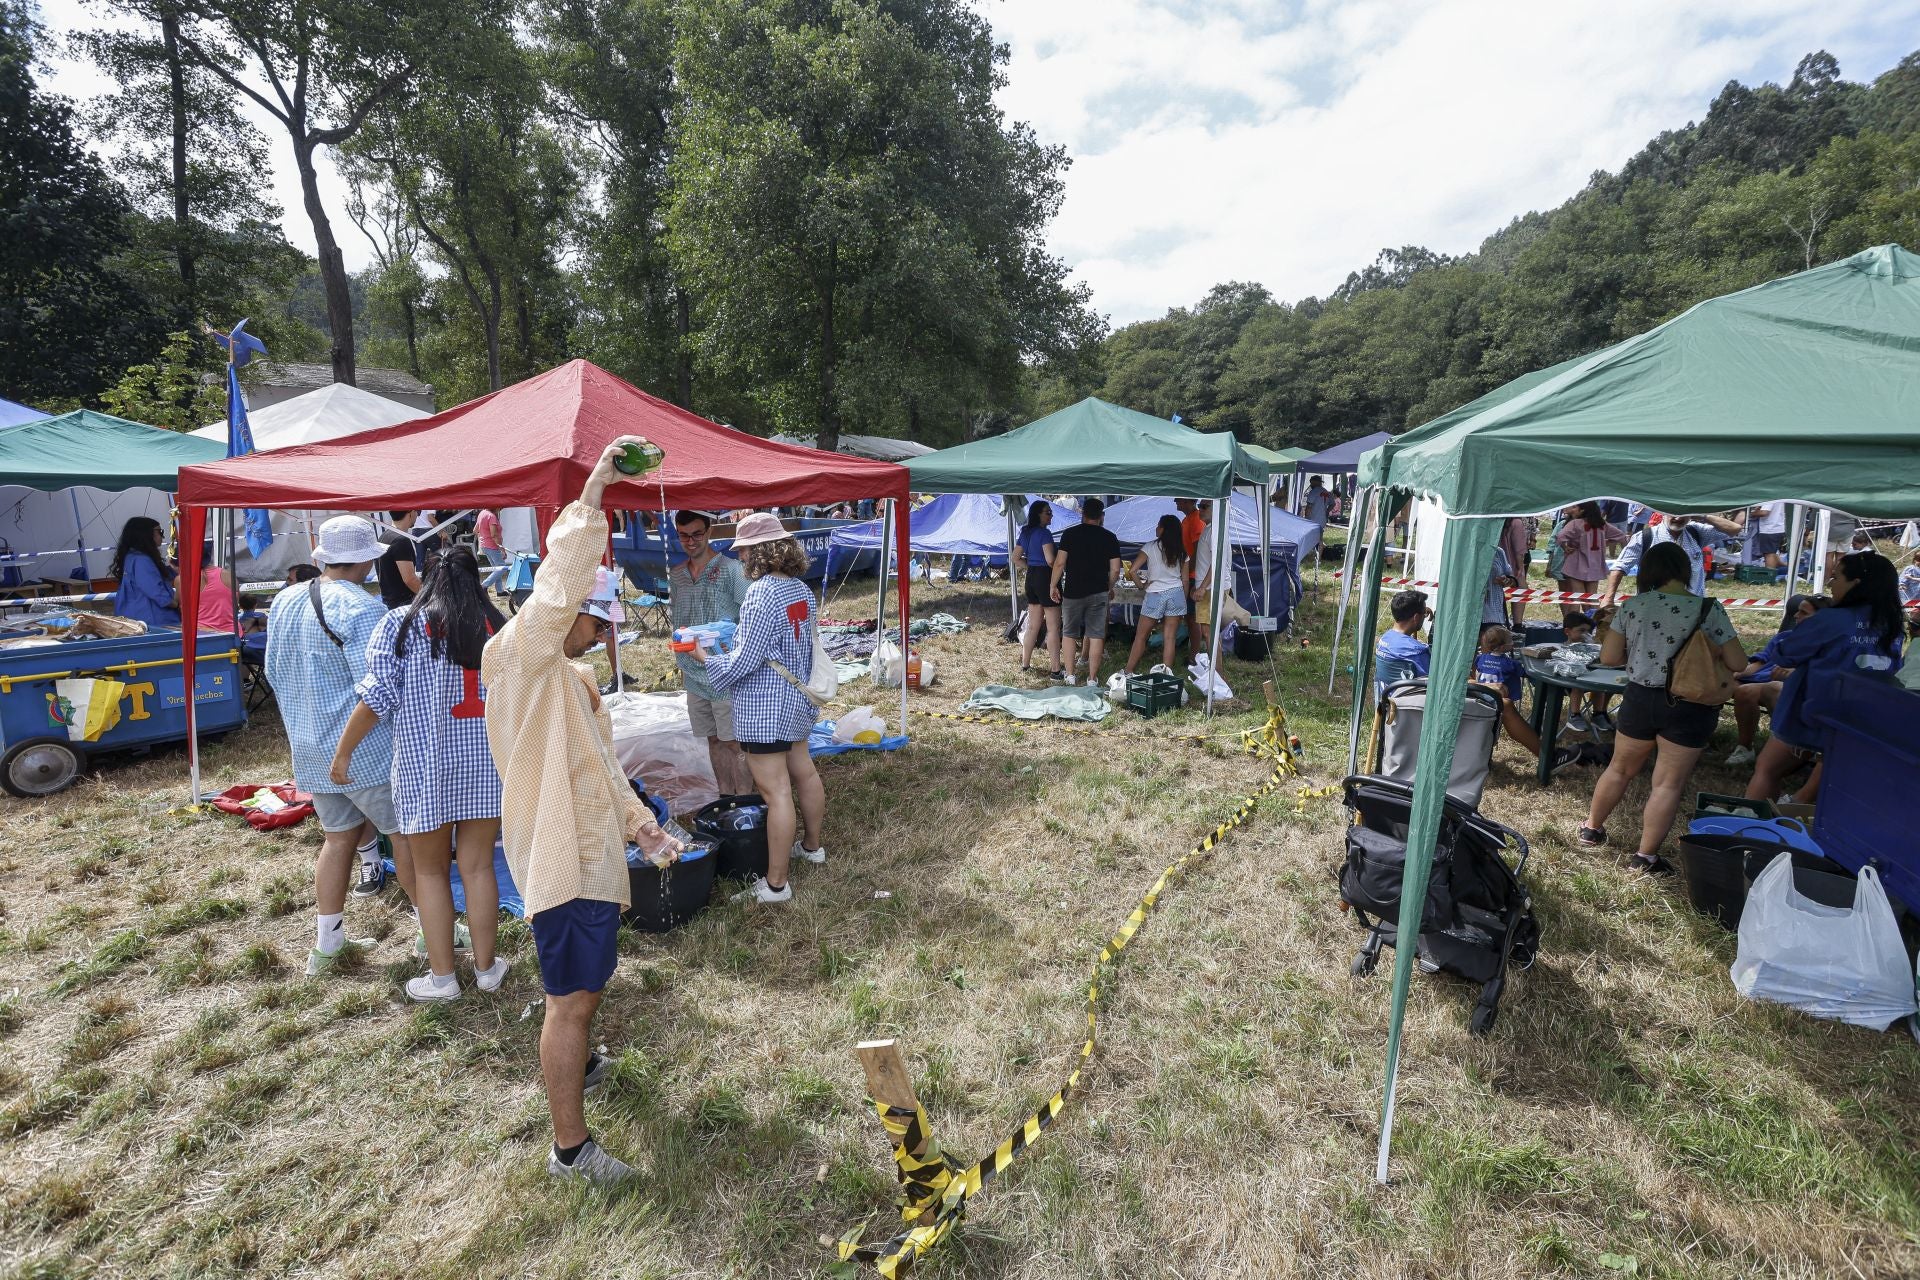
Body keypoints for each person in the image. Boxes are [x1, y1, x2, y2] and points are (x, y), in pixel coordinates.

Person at [481, 439, 681, 1187]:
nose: (602, 637)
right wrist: (595, 488)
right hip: (561, 863)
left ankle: (585, 1063)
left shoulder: (568, 677)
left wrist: (641, 824)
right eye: (597, 624)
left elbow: (601, 766)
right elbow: (559, 585)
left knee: (584, 991)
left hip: (592, 852)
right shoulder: (523, 658)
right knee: (570, 1001)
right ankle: (570, 1151)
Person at [330, 546, 507, 1003]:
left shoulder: (400, 624)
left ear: (426, 577)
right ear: (477, 581)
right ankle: (488, 969)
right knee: (479, 866)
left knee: (429, 873)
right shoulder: (496, 626)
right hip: (486, 765)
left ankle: (443, 978)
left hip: (423, 766)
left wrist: (343, 753)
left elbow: (376, 698)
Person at [265, 516, 408, 974]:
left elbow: (272, 672)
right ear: (368, 559)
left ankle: (327, 946)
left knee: (337, 840)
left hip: (309, 748)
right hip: (363, 750)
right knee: (406, 839)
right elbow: (379, 688)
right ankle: (434, 930)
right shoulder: (363, 608)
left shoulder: (283, 601)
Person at [1577, 542, 1745, 875]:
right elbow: (1738, 662)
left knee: (1619, 769)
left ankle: (1591, 829)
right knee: (1667, 784)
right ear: (1686, 570)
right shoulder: (1708, 609)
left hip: (1640, 697)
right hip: (1690, 705)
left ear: (1648, 570)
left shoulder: (1634, 606)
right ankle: (1644, 858)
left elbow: (1609, 658)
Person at [691, 513, 827, 905]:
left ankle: (776, 884)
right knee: (804, 772)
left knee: (776, 792)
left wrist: (707, 658)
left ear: (757, 550)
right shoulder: (801, 589)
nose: (742, 555)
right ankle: (813, 847)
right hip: (796, 698)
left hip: (766, 705)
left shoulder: (762, 592)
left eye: (744, 548)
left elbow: (746, 659)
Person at [1745, 551, 1904, 804]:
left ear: (1856, 583)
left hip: (1815, 712)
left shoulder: (1831, 620)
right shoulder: (1892, 623)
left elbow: (1785, 654)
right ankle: (1797, 818)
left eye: (1836, 577)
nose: (1831, 584)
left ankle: (1752, 826)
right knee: (1829, 780)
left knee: (1767, 768)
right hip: (1864, 717)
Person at [670, 510, 751, 794]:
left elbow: (751, 613)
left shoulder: (731, 570)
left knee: (735, 742)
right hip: (693, 672)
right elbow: (677, 616)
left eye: (696, 534)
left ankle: (744, 801)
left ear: (710, 532)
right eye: (683, 535)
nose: (690, 541)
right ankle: (724, 797)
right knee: (713, 739)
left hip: (724, 670)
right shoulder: (677, 574)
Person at [1722, 594, 1824, 766]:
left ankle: (1782, 748)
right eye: (1797, 611)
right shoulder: (1784, 636)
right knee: (1717, 681)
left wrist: (1795, 674)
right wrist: (1739, 672)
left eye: (1803, 613)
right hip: (1757, 681)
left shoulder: (1824, 643)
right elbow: (1761, 661)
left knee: (1761, 689)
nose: (1796, 616)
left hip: (1789, 688)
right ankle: (1743, 748)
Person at [1473, 624, 1585, 774]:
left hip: (1477, 696)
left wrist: (1478, 684)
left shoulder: (1480, 658)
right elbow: (1525, 672)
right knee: (1503, 703)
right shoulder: (1508, 663)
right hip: (1481, 698)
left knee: (1502, 703)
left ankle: (1548, 757)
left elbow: (1471, 673)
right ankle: (1548, 758)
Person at [1050, 497, 1123, 686]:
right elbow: (1115, 569)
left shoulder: (1070, 534)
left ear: (1082, 514)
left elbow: (1059, 563)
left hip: (1073, 591)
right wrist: (1109, 586)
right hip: (1098, 591)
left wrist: (1053, 585)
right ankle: (1092, 678)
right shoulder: (1110, 537)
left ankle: (1071, 675)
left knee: (1069, 633)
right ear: (1102, 516)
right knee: (1097, 634)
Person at [1600, 511, 1743, 605]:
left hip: (1693, 607)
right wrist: (1609, 597)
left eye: (1684, 514)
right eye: (1673, 513)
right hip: (1653, 608)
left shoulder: (1696, 532)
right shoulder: (1645, 537)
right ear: (1662, 513)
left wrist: (1704, 517)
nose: (1678, 518)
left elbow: (1735, 529)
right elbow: (1620, 566)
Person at [1124, 514, 1187, 675]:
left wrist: (1141, 586)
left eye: (1158, 525)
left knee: (1141, 636)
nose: (1156, 528)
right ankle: (1166, 674)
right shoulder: (1181, 550)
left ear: (1164, 529)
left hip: (1155, 593)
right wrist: (1183, 600)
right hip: (1176, 593)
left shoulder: (1150, 547)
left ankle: (1129, 670)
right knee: (1170, 638)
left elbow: (1132, 571)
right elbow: (1185, 580)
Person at [1016, 500, 1062, 679]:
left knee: (1033, 625)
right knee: (1053, 627)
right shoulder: (1045, 534)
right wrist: (1059, 567)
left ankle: (1025, 664)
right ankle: (1056, 670)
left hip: (1032, 577)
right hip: (1046, 577)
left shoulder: (1025, 532)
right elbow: (1051, 560)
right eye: (1048, 512)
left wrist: (1030, 566)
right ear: (1038, 514)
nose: (1051, 515)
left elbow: (1015, 557)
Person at [111, 516, 180, 628]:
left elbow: (155, 576)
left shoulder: (132, 556)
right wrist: (175, 604)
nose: (162, 536)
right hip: (153, 620)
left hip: (136, 616)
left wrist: (173, 570)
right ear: (146, 534)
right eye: (160, 531)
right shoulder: (142, 560)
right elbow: (154, 590)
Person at [1555, 502, 1626, 598]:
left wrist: (1565, 547)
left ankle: (1584, 612)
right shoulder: (1602, 524)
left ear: (1583, 510)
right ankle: (1592, 612)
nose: (1572, 509)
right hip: (1595, 564)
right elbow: (1621, 536)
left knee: (1580, 596)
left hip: (1577, 563)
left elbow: (1560, 537)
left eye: (1575, 507)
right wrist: (1604, 543)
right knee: (1592, 597)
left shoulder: (1575, 523)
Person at [377, 511, 438, 609]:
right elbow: (410, 580)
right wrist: (432, 597)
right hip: (403, 603)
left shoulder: (383, 536)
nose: (418, 515)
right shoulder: (401, 540)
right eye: (417, 511)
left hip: (389, 601)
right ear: (411, 512)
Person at [1374, 590, 1431, 695]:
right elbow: (1434, 683)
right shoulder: (1417, 652)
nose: (1425, 616)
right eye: (1425, 614)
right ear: (1416, 617)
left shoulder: (1383, 640)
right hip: (1412, 707)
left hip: (1385, 704)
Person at [188, 542, 236, 633]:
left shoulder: (185, 579)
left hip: (201, 634)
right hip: (231, 633)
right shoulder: (228, 574)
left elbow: (181, 607)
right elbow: (235, 604)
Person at [1750, 501, 1789, 571]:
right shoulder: (1778, 497)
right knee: (1772, 552)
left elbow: (1764, 512)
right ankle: (1781, 565)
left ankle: (1769, 575)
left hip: (1769, 529)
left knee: (1768, 554)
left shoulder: (1770, 498)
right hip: (1776, 528)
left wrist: (1751, 513)